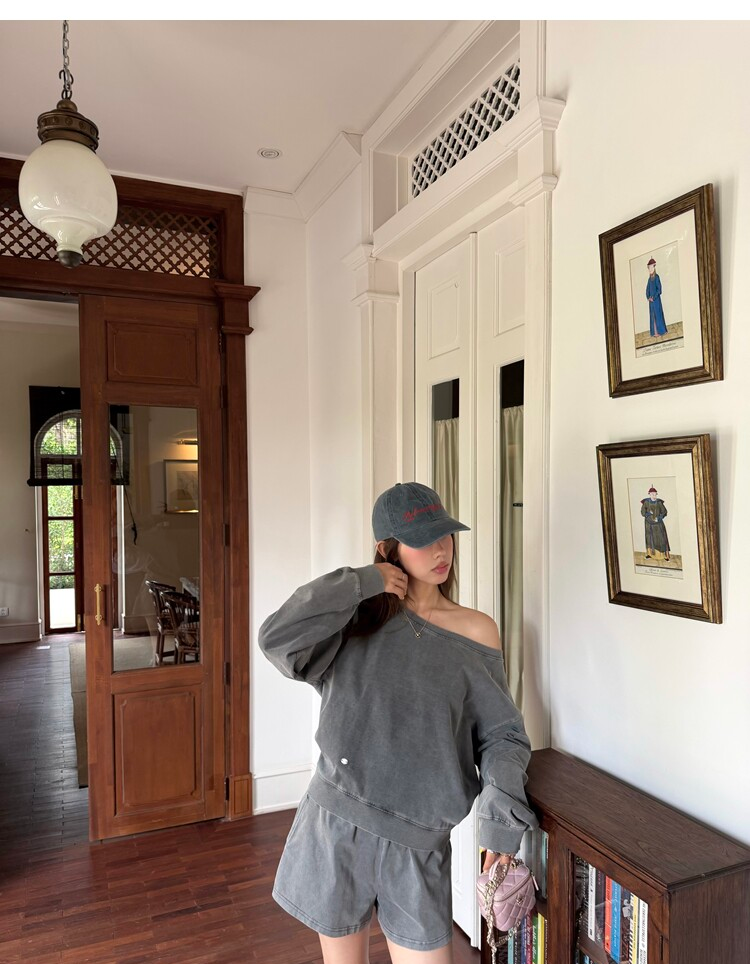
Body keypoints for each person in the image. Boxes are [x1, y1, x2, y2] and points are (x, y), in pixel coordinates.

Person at [258, 481, 539, 964]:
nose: (440, 549)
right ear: (387, 550)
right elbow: (276, 638)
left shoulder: (477, 630)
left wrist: (500, 822)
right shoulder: (356, 619)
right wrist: (363, 581)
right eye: (422, 540)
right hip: (335, 827)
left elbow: (503, 736)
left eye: (445, 535)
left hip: (418, 846)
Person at [641, 485, 670, 562]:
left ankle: (664, 556)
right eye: (652, 494)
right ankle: (649, 554)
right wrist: (648, 514)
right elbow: (643, 512)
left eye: (655, 494)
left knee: (661, 539)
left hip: (658, 524)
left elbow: (664, 512)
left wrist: (659, 518)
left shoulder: (659, 502)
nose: (654, 496)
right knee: (649, 539)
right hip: (649, 524)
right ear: (649, 494)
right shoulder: (646, 502)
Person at [646, 257, 668, 337]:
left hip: (656, 300)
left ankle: (661, 331)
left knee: (658, 315)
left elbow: (659, 289)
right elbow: (647, 290)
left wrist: (654, 297)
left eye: (651, 267)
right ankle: (655, 332)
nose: (650, 269)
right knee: (652, 316)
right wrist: (648, 297)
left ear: (654, 267)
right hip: (651, 302)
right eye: (649, 268)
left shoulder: (657, 277)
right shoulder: (649, 279)